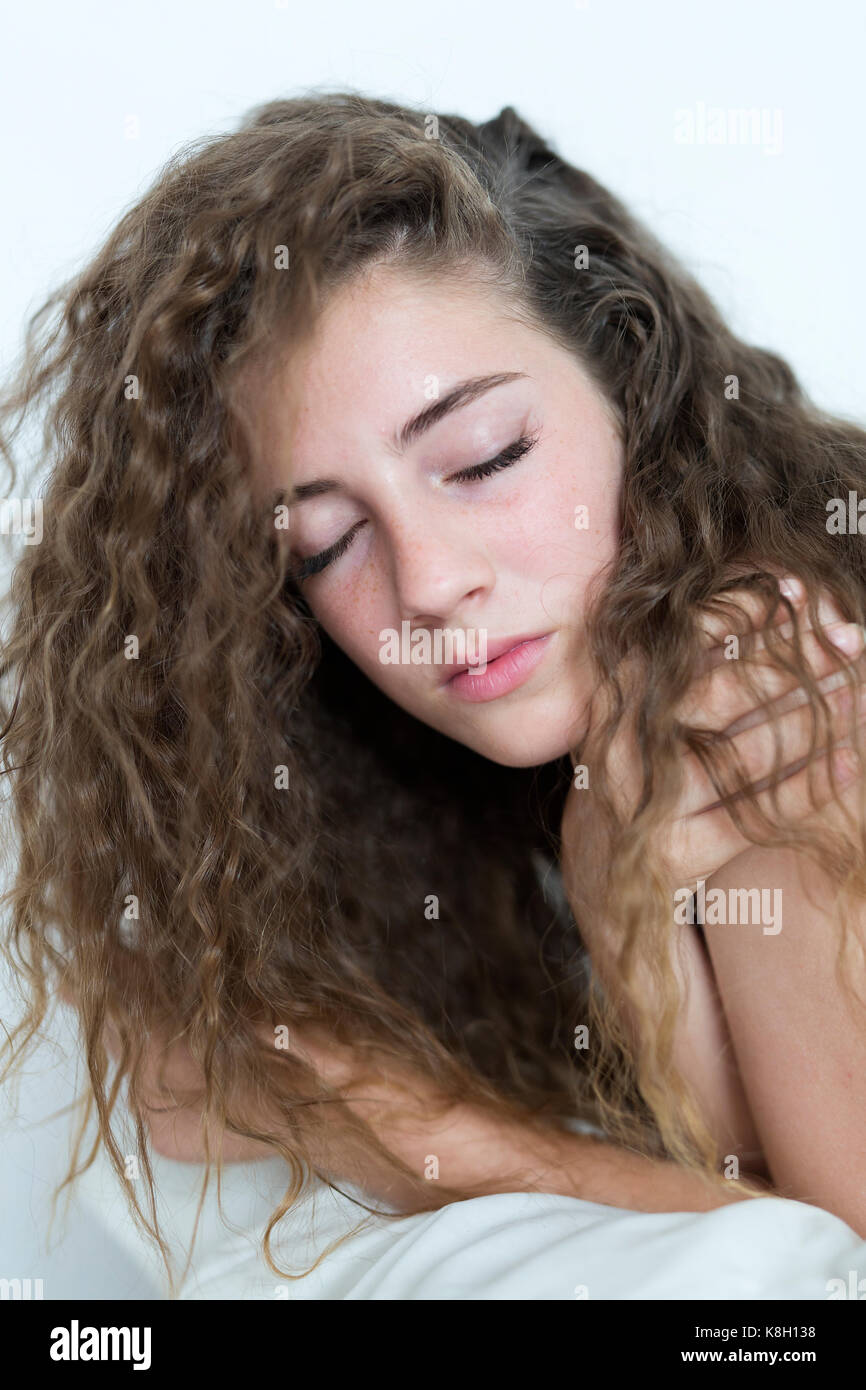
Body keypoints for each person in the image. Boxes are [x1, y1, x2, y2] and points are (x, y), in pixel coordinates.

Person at [2, 91, 865, 1295]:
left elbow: (826, 1270)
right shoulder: (489, 787)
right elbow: (188, 1079)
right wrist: (625, 918)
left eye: (484, 459)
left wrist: (445, 1134)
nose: (430, 582)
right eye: (325, 542)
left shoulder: (776, 687)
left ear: (630, 377)